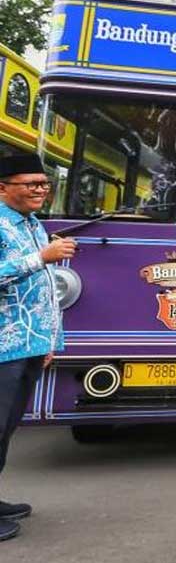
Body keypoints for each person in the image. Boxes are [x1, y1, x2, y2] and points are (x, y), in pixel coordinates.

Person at [0, 154, 77, 541]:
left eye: (44, 184)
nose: (40, 190)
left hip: (28, 344)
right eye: (31, 184)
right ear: (3, 187)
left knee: (6, 427)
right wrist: (40, 257)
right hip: (2, 345)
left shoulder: (33, 225)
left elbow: (44, 289)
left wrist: (49, 340)